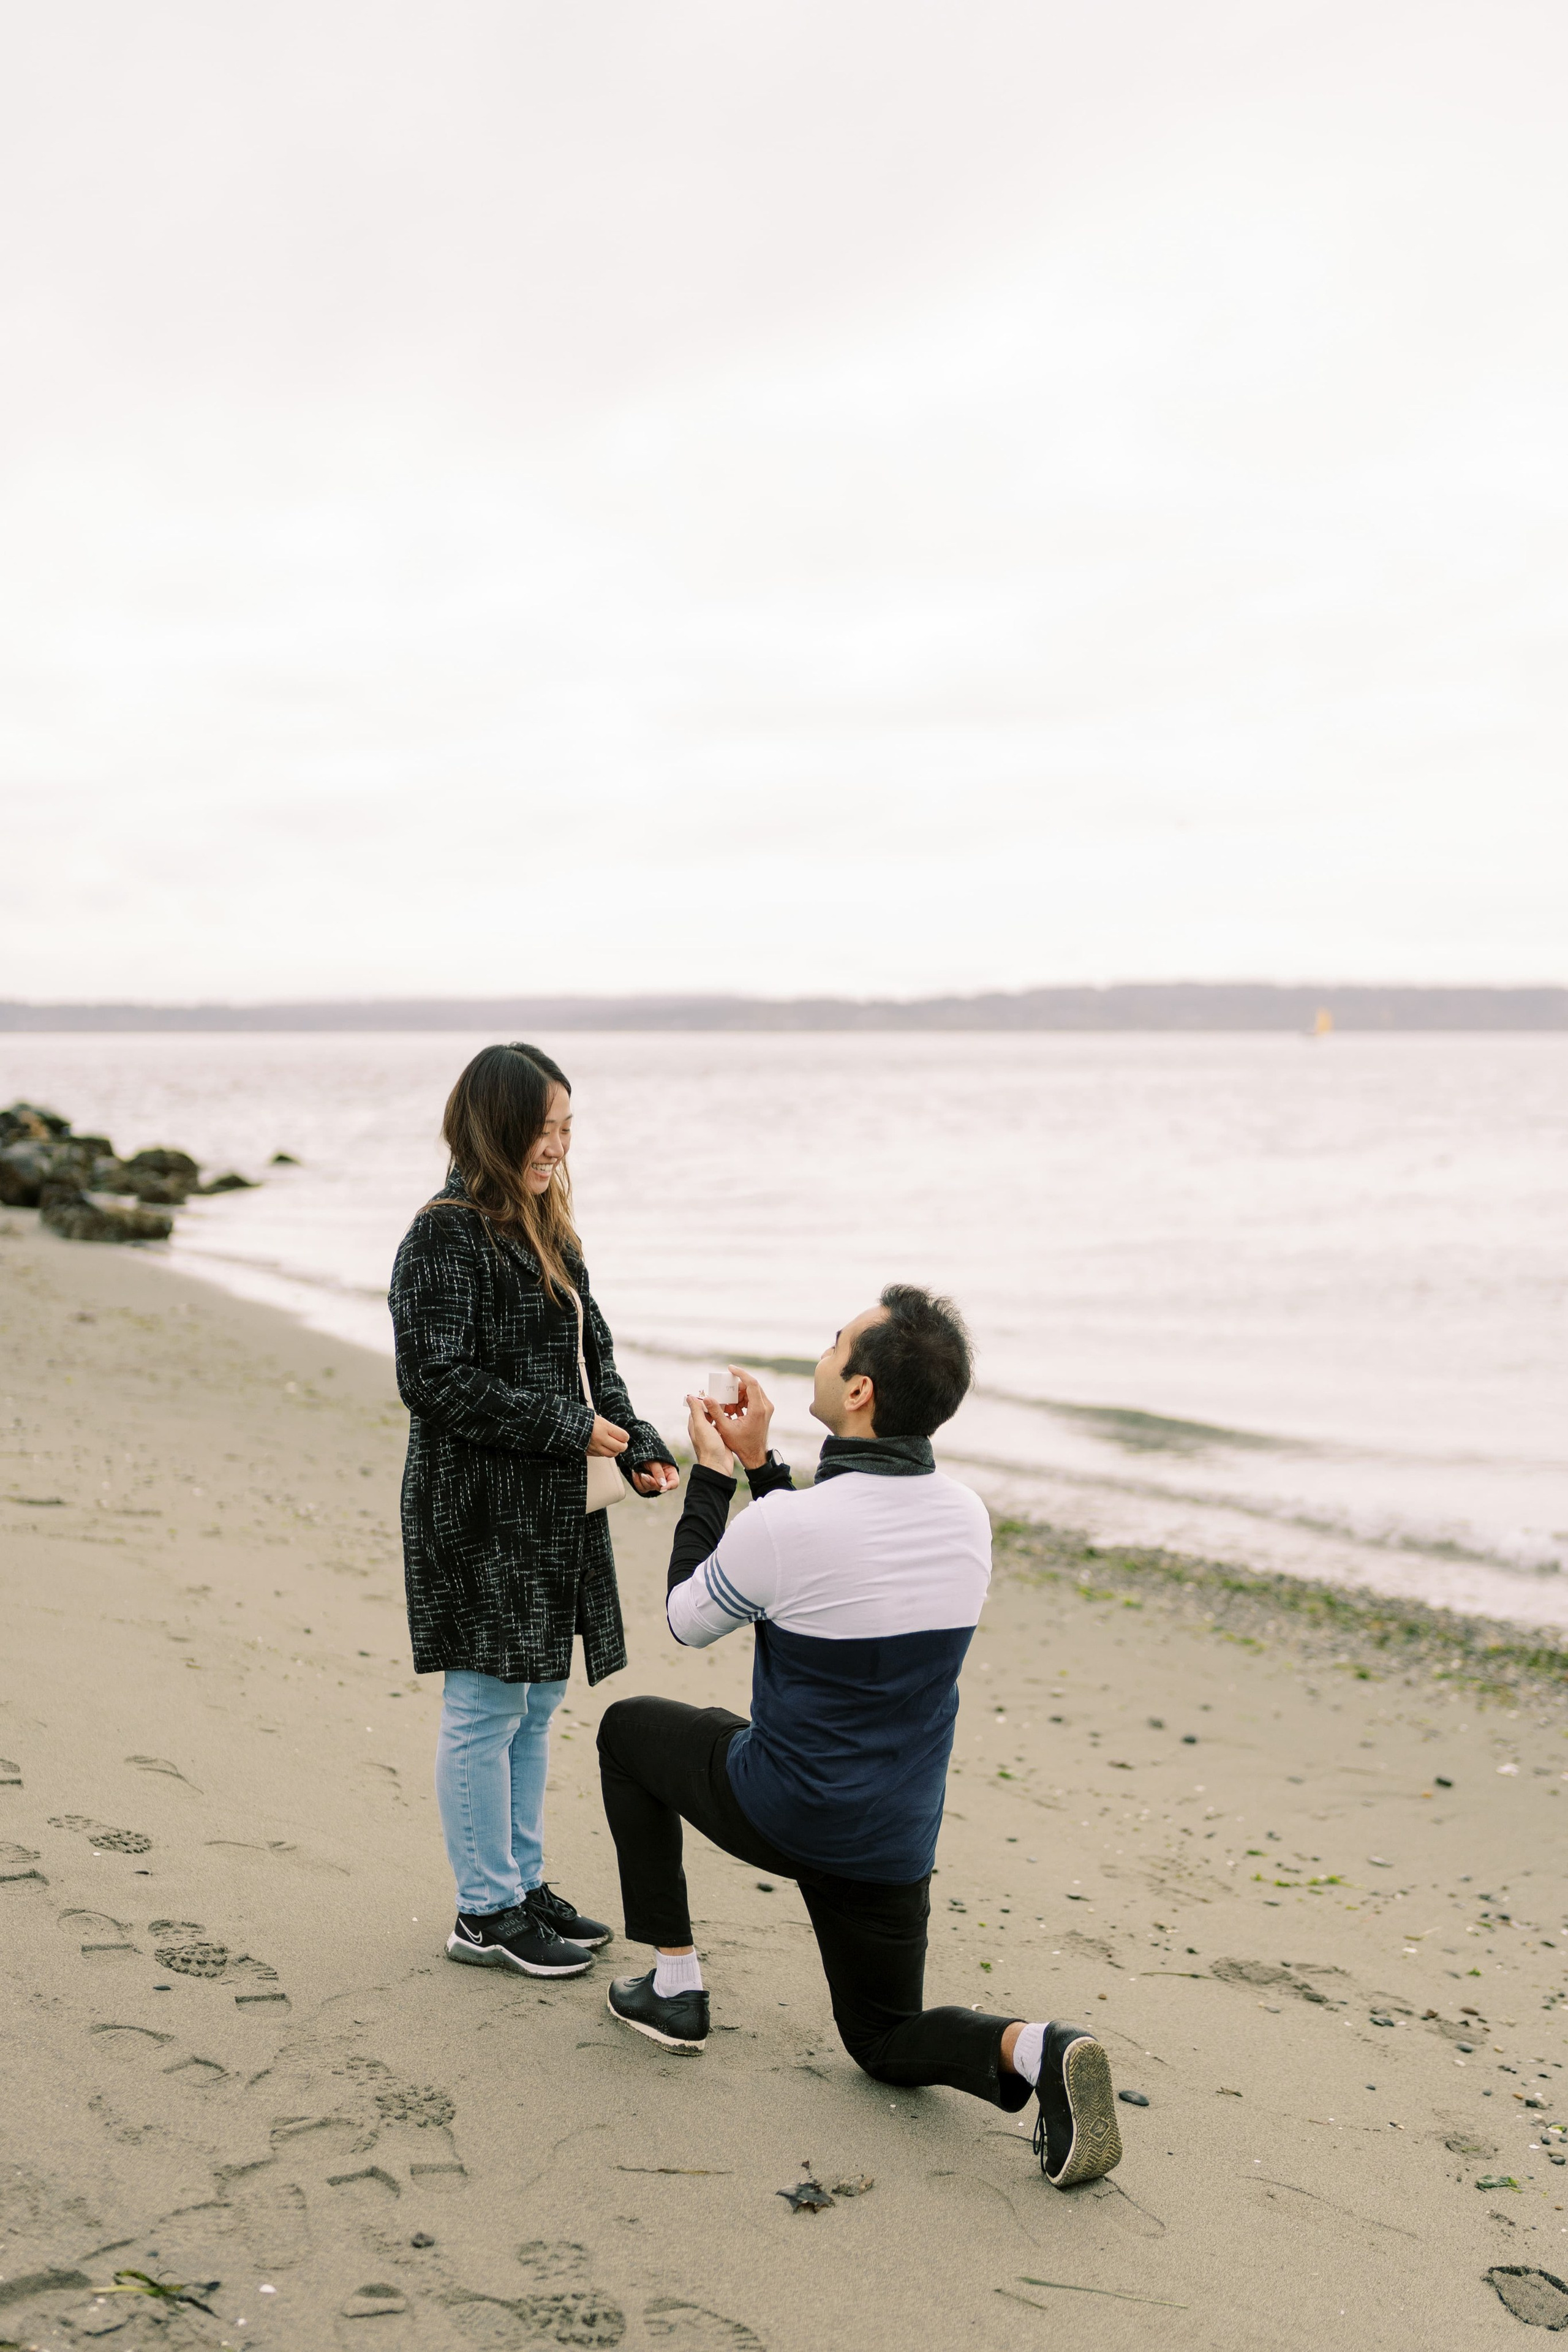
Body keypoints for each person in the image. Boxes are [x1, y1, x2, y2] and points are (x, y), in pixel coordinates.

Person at [595, 1284, 1121, 2190]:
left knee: (628, 1731)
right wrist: (766, 1470)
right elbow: (826, 1567)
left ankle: (676, 1987)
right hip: (894, 1837)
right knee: (881, 2040)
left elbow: (689, 1620)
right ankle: (1039, 2048)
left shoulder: (789, 1527)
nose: (824, 1353)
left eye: (837, 1343)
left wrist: (717, 1479)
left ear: (861, 1391)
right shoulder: (966, 1519)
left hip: (786, 1809)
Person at [391, 1042, 678, 1981]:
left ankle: (520, 1883)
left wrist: (634, 1441)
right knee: (484, 1702)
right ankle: (483, 1913)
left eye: (566, 1128)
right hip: (476, 1510)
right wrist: (572, 1428)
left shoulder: (551, 1228)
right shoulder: (444, 1232)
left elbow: (597, 1360)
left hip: (555, 1506)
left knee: (537, 1699)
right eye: (543, 1127)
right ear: (496, 1125)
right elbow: (432, 1381)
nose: (557, 1146)